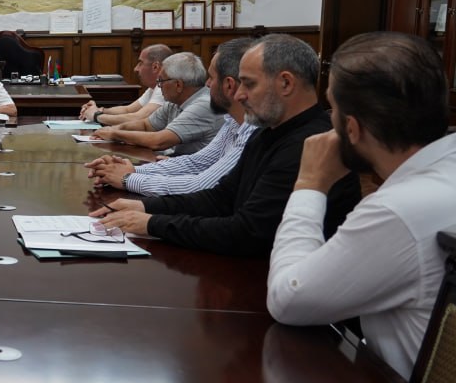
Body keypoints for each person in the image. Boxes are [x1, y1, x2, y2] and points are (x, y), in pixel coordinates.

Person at [267, 32, 456, 378]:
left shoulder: (397, 210)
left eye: (333, 109)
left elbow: (288, 299)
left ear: (350, 129)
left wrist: (310, 184)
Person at [95, 34, 360, 256]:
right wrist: (144, 207)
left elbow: (248, 232)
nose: (240, 94)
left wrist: (153, 223)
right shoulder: (268, 131)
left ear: (286, 83)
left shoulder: (307, 143)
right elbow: (220, 197)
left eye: (249, 84)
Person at [87, 38, 257, 195]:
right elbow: (197, 163)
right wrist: (127, 169)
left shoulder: (246, 125)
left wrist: (127, 178)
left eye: (211, 77)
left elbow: (200, 185)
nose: (207, 84)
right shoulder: (232, 121)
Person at [91, 52, 222, 155]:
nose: (159, 86)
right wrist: (113, 129)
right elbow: (145, 125)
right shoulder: (174, 102)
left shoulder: (203, 105)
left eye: (161, 81)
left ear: (178, 85)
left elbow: (158, 141)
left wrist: (115, 134)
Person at [78, 44, 171, 125]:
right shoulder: (153, 88)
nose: (136, 69)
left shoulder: (164, 88)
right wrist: (99, 110)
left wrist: (96, 115)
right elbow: (128, 110)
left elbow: (137, 118)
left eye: (141, 63)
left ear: (155, 67)